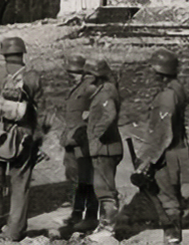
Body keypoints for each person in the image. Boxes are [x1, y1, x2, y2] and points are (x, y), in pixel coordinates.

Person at [0, 37, 47, 242]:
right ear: (22, 52)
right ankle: (15, 232)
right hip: (24, 139)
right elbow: (43, 113)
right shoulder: (33, 76)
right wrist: (37, 140)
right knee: (20, 185)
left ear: (3, 53)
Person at [133, 49, 189, 245]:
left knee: (166, 200)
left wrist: (147, 160)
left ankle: (172, 239)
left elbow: (163, 133)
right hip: (175, 152)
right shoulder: (176, 89)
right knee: (172, 197)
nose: (150, 74)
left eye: (153, 71)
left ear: (159, 72)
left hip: (165, 156)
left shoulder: (167, 97)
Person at [55, 53, 97, 238]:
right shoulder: (77, 87)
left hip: (83, 141)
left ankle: (90, 216)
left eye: (74, 72)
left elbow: (96, 112)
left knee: (86, 179)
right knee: (74, 178)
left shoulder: (90, 87)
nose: (70, 75)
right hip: (72, 141)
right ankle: (77, 214)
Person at [86, 59, 123, 235]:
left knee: (105, 190)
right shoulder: (105, 89)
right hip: (104, 147)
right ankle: (105, 225)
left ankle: (108, 228)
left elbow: (110, 115)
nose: (86, 77)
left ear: (97, 76)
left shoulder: (107, 91)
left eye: (89, 74)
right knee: (103, 188)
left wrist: (94, 133)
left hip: (104, 148)